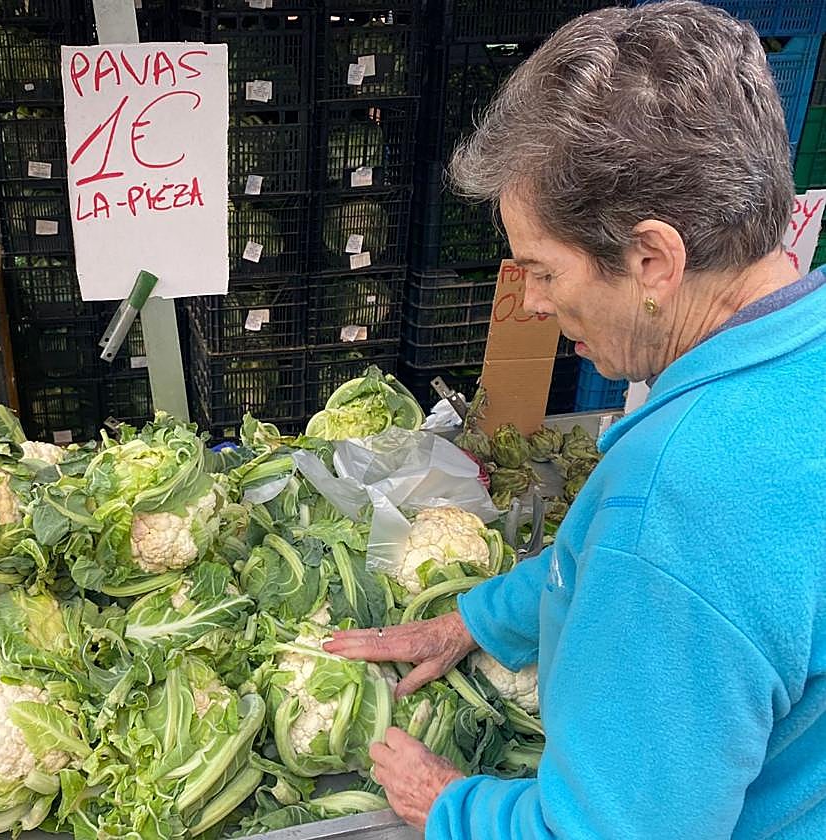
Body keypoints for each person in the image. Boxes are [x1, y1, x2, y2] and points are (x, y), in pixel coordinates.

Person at [325, 2, 826, 837]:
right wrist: (473, 621)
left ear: (651, 261)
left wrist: (450, 806)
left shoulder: (682, 500)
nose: (531, 300)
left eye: (542, 270)